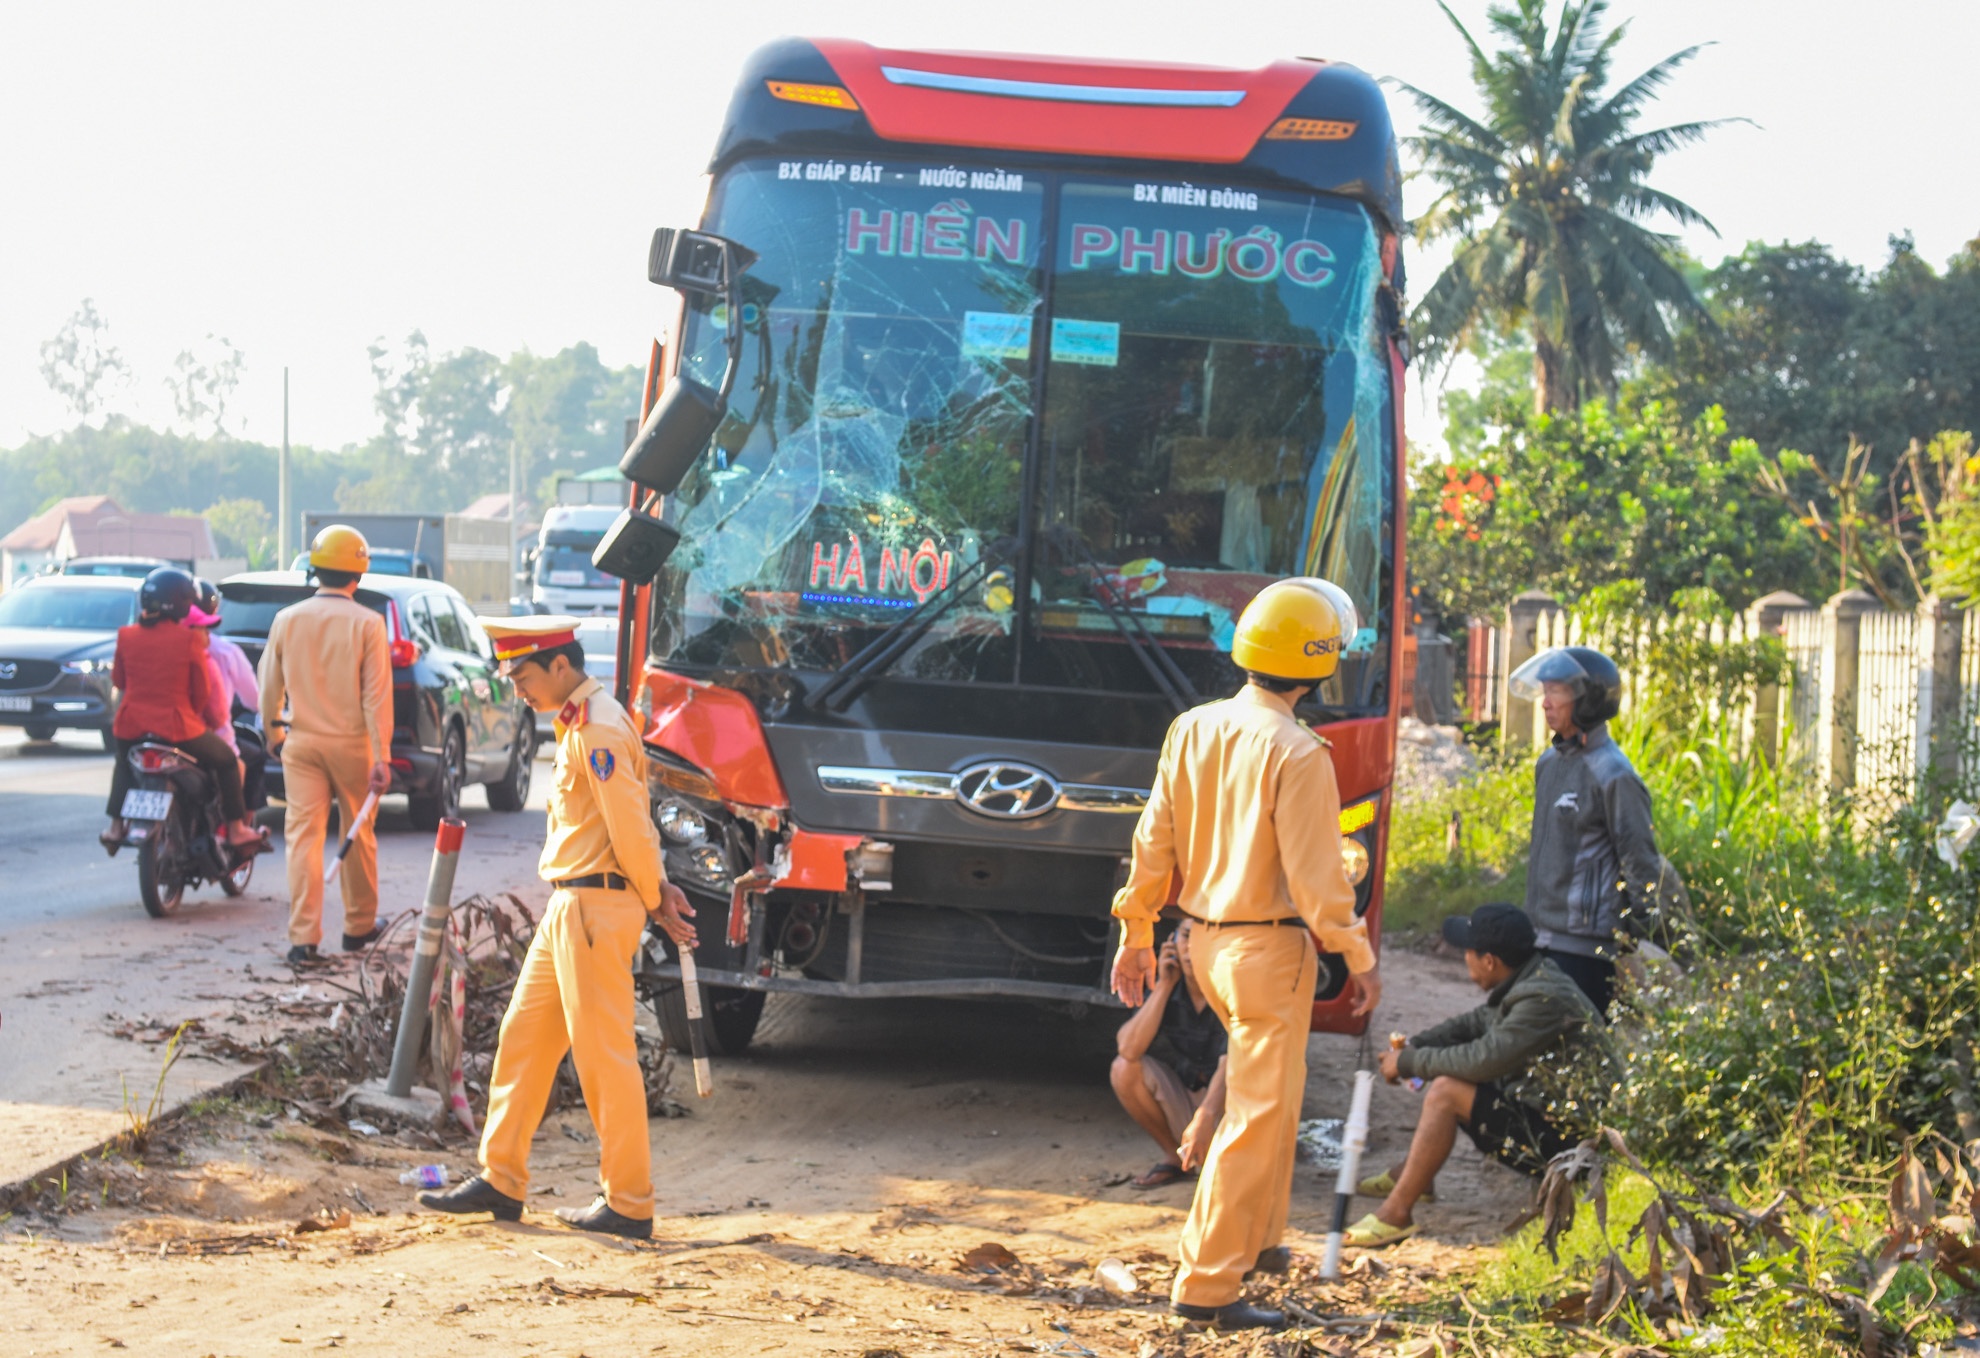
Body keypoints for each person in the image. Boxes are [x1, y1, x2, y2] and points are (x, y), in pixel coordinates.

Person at [1112, 578, 1382, 1333]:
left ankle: (1258, 1245)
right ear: (1320, 662)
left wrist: (1137, 930)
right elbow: (1320, 881)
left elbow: (1153, 842)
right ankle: (1206, 1285)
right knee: (1256, 1119)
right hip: (1268, 948)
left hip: (1200, 942)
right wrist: (1358, 955)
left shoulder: (1194, 727)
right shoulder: (1299, 752)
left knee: (1277, 1099)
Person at [417, 615, 698, 1240]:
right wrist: (654, 889)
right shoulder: (586, 719)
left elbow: (628, 826)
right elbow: (631, 822)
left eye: (522, 675)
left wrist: (655, 895)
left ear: (560, 667)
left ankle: (628, 1201)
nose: (517, 688)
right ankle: (501, 1178)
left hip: (595, 906)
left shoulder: (595, 726)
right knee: (522, 1040)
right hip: (574, 904)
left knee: (604, 1058)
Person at [1344, 904, 1614, 1248]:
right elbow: (1473, 1024)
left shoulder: (1541, 998)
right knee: (1450, 1074)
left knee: (1446, 1091)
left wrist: (1410, 1063)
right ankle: (1413, 1178)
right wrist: (1416, 1045)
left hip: (1576, 1151)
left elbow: (1483, 1060)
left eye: (1467, 951)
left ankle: (1395, 1214)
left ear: (1489, 961)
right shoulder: (1530, 978)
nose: (1463, 957)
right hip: (1555, 1124)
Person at [1508, 646, 1686, 1015]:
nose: (1545, 703)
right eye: (1544, 691)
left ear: (1588, 700)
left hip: (1587, 950)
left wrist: (1632, 933)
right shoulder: (1548, 763)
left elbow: (1640, 861)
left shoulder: (1614, 775)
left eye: (1556, 691)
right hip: (1540, 939)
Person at [257, 525, 393, 966]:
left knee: (302, 840)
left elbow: (268, 686)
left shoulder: (287, 619)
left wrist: (274, 733)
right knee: (358, 833)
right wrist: (382, 756)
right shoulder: (369, 624)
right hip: (353, 746)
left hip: (301, 743)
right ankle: (357, 927)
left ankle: (303, 941)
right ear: (359, 572)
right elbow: (376, 698)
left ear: (314, 570)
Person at [100, 568, 267, 856]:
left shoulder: (126, 636)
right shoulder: (189, 640)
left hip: (131, 725)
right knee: (227, 760)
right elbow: (202, 693)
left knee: (124, 763)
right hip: (178, 726)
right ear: (181, 603)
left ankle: (115, 827)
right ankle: (237, 829)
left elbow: (119, 681)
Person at [1112, 918, 1229, 1190]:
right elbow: (1128, 1048)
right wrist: (1165, 986)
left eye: (1202, 938)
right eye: (1186, 936)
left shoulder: (1230, 988)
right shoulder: (1166, 981)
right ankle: (1174, 1158)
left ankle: (1220, 1161)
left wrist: (1207, 1116)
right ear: (1172, 942)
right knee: (1123, 1068)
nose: (1191, 948)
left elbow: (1230, 1065)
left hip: (1224, 1105)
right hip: (1187, 1097)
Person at [189, 579, 267, 810]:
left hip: (159, 731)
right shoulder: (219, 653)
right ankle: (238, 828)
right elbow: (245, 703)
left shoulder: (160, 645)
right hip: (201, 732)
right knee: (239, 762)